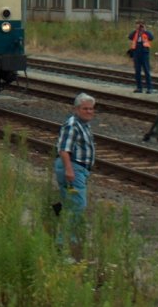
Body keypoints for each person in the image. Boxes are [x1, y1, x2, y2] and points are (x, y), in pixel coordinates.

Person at [54, 92, 96, 247]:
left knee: (70, 204)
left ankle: (66, 239)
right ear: (76, 109)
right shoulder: (72, 124)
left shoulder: (83, 125)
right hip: (73, 168)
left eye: (91, 109)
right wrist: (69, 169)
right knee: (77, 205)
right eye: (85, 109)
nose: (89, 112)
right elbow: (64, 149)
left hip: (78, 169)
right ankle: (65, 241)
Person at [128, 20, 154, 93]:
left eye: (140, 25)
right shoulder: (135, 33)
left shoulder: (146, 33)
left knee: (146, 71)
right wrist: (136, 30)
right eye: (137, 24)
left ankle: (149, 88)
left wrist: (145, 30)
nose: (139, 26)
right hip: (136, 53)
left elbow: (151, 38)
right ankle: (139, 88)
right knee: (137, 71)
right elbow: (130, 37)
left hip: (144, 52)